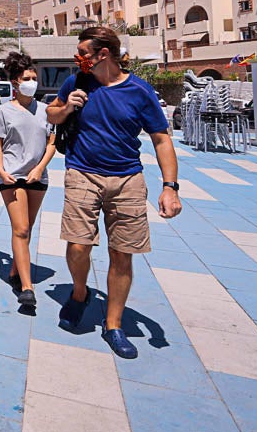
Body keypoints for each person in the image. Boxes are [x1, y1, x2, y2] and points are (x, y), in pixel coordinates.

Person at [47, 26, 182, 359]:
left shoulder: (139, 91)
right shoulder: (76, 82)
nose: (77, 57)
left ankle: (114, 324)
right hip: (82, 173)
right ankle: (80, 293)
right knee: (78, 245)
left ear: (102, 54)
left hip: (127, 180)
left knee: (122, 254)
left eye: (82, 52)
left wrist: (170, 188)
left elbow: (161, 139)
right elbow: (51, 111)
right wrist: (66, 110)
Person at [0, 52, 55, 309]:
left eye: (34, 77)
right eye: (26, 78)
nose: (31, 82)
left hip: (38, 176)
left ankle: (16, 272)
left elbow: (52, 143)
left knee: (27, 227)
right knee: (21, 229)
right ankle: (27, 288)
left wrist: (40, 168)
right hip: (12, 176)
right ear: (15, 83)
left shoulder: (46, 111)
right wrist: (1, 169)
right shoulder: (4, 111)